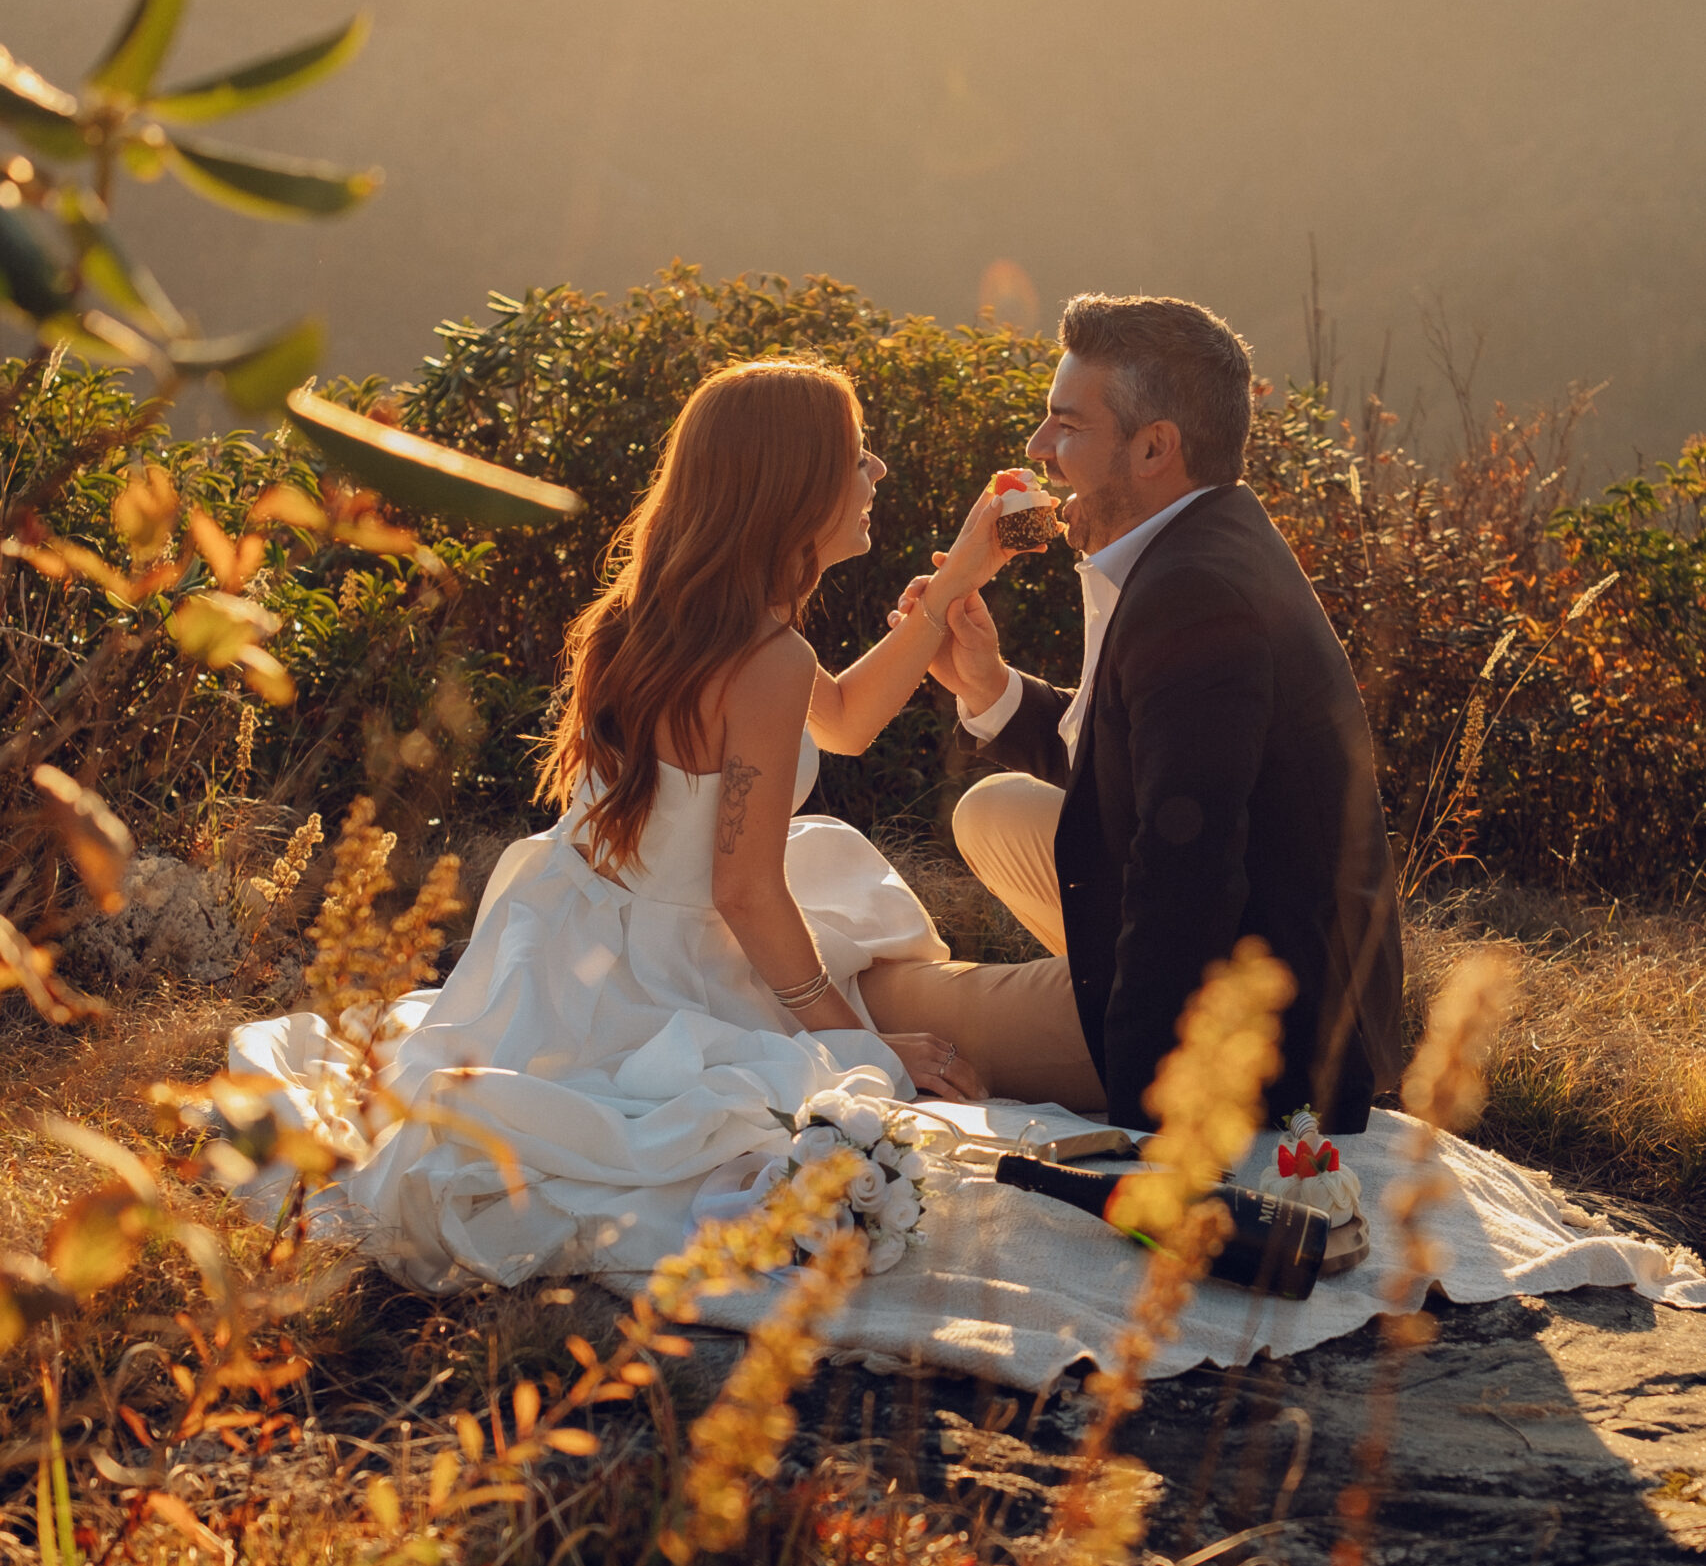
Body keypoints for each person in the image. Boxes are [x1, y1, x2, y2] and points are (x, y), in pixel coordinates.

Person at [228, 358, 1092, 1292]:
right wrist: (856, 1048)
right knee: (787, 1093)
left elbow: (839, 720)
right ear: (787, 486)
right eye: (854, 455)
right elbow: (746, 893)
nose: (877, 470)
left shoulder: (650, 617)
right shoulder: (764, 655)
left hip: (572, 932)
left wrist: (962, 574)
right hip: (666, 965)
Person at [914, 292, 1404, 1135]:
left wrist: (1152, 1105)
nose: (1037, 451)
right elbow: (1139, 759)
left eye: (1065, 425)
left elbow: (1190, 869)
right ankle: (1077, 983)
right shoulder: (1197, 536)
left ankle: (1080, 1019)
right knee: (990, 811)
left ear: (1153, 447)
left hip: (1252, 1027)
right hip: (1269, 945)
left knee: (890, 998)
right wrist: (989, 685)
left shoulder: (1193, 595)